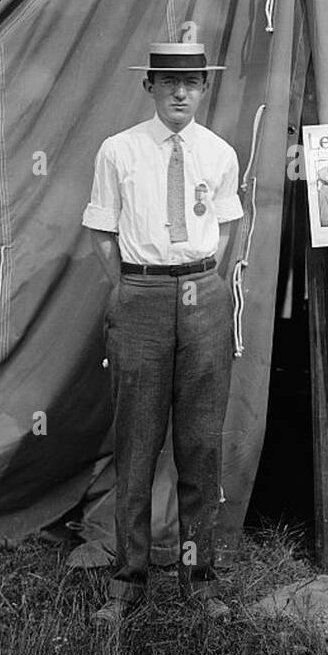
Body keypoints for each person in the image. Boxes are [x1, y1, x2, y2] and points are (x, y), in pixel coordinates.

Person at [82, 41, 243, 624]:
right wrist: (135, 288)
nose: (180, 92)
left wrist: (196, 278)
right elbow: (103, 232)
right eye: (169, 81)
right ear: (149, 85)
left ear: (203, 88)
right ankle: (127, 583)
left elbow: (225, 229)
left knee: (200, 444)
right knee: (136, 444)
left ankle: (200, 583)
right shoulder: (119, 150)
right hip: (141, 294)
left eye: (191, 82)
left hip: (202, 294)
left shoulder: (219, 153)